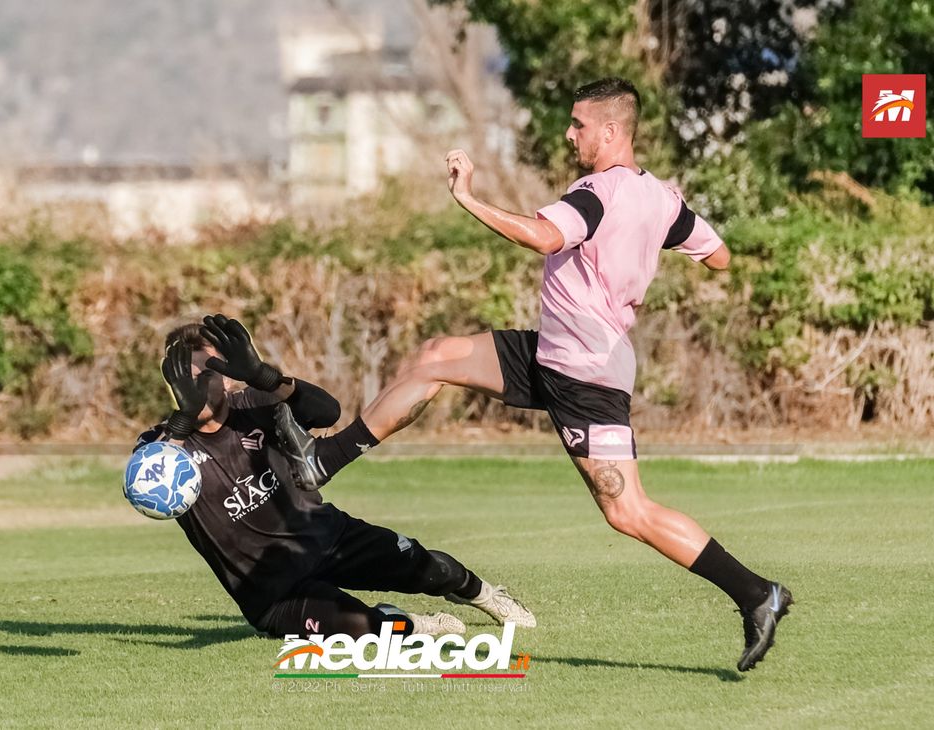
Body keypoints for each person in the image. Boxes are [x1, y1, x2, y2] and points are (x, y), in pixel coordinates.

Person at [274, 77, 792, 671]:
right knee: (435, 356)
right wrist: (641, 255)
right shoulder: (663, 199)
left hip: (586, 375)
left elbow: (544, 235)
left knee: (629, 512)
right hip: (554, 351)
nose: (569, 133)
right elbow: (719, 254)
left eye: (578, 124)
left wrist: (468, 197)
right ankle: (323, 461)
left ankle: (758, 594)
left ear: (610, 130)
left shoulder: (597, 192)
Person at [135, 315, 535, 640]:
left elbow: (327, 412)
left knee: (436, 570)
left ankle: (487, 596)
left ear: (226, 376)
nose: (194, 387)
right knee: (367, 630)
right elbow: (144, 488)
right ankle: (414, 623)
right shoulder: (161, 448)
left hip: (330, 539)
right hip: (275, 594)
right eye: (182, 379)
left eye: (204, 375)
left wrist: (265, 376)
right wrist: (183, 420)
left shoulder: (254, 403)